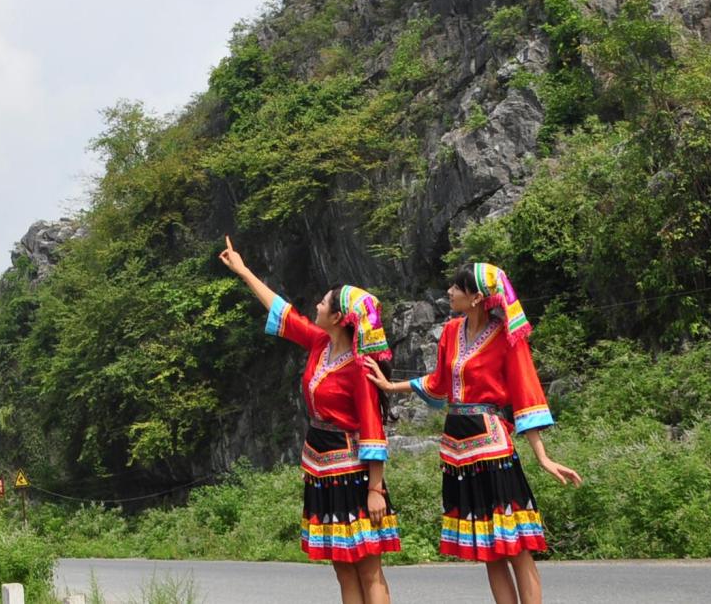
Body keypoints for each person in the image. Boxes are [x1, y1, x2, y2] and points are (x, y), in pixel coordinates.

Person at [365, 264, 582, 604]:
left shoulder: (507, 337)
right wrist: (391, 385)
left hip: (491, 442)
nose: (448, 292)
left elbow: (526, 392)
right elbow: (439, 383)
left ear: (477, 297)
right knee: (488, 547)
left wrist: (542, 456)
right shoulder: (452, 331)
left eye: (456, 287)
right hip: (456, 446)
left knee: (514, 543)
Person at [219, 236, 397, 604]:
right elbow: (284, 312)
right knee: (342, 567)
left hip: (353, 472)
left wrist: (375, 490)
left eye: (323, 302)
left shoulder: (361, 367)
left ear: (337, 318)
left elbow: (372, 428)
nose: (315, 305)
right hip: (321, 469)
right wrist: (243, 271)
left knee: (368, 568)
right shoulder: (320, 344)